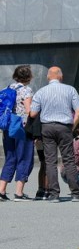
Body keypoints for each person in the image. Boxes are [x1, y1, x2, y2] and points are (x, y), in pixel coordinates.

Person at [28, 66, 79, 202]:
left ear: (48, 77)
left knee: (50, 161)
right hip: (64, 127)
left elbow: (33, 113)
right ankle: (76, 193)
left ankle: (54, 194)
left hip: (47, 127)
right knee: (69, 160)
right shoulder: (70, 90)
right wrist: (72, 125)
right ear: (61, 76)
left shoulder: (41, 92)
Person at [0, 65, 35, 201]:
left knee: (10, 158)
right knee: (25, 158)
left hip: (7, 127)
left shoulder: (6, 89)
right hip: (21, 127)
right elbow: (28, 111)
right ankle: (19, 193)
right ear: (29, 77)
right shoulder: (27, 90)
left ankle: (1, 190)